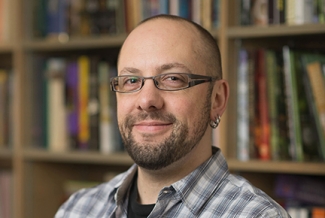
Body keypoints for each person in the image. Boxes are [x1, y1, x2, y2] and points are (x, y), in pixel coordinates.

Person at [55, 14, 290, 218]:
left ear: (217, 99)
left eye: (173, 79)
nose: (147, 101)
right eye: (131, 81)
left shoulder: (257, 215)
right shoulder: (78, 209)